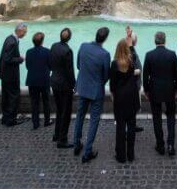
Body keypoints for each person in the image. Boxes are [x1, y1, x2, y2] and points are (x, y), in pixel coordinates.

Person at [73, 27, 111, 163]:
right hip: (96, 91)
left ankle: (76, 144)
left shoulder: (83, 46)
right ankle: (87, 151)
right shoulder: (105, 54)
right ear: (105, 38)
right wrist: (98, 82)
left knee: (80, 116)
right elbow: (107, 75)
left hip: (82, 88)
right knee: (94, 120)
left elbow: (78, 65)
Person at [143, 31, 177, 156]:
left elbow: (145, 76)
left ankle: (160, 145)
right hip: (170, 90)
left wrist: (147, 90)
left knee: (157, 118)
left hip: (154, 90)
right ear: (165, 40)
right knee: (171, 117)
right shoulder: (172, 54)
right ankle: (171, 145)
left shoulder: (149, 55)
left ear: (155, 41)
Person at [109, 38, 140, 163]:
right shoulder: (131, 61)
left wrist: (113, 94)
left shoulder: (114, 63)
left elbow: (112, 84)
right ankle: (131, 155)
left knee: (120, 128)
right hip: (132, 97)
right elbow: (134, 55)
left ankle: (121, 156)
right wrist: (130, 45)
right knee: (131, 127)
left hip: (120, 98)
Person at [0, 23, 27, 126]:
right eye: (25, 31)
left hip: (5, 74)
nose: (25, 34)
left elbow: (7, 56)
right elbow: (8, 59)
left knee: (6, 96)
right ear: (20, 31)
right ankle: (11, 120)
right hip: (11, 75)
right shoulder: (13, 42)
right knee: (14, 96)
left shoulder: (9, 38)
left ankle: (6, 118)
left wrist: (17, 56)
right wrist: (21, 59)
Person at [49, 27, 76, 148]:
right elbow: (70, 71)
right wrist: (74, 85)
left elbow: (50, 63)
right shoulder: (68, 51)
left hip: (54, 82)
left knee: (59, 110)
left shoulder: (54, 46)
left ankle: (56, 134)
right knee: (66, 112)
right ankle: (62, 140)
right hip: (64, 85)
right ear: (69, 38)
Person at [25, 32, 53, 130]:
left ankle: (35, 123)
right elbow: (51, 66)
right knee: (46, 101)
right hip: (44, 80)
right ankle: (47, 121)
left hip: (32, 80)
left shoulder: (28, 52)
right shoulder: (47, 51)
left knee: (34, 102)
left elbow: (27, 66)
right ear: (42, 41)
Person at [126, 27, 144, 133]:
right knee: (132, 108)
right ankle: (130, 127)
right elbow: (128, 70)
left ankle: (132, 125)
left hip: (131, 84)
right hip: (132, 85)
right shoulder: (131, 52)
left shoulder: (125, 50)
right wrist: (139, 71)